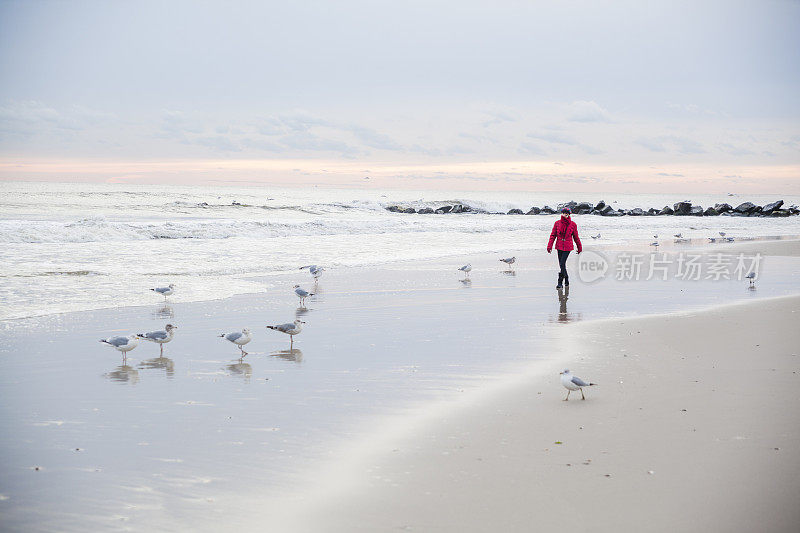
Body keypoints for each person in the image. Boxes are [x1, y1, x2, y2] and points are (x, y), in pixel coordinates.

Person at [547, 207, 582, 289]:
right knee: (561, 265)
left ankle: (560, 282)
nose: (565, 215)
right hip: (559, 246)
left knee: (562, 263)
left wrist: (579, 247)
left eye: (567, 213)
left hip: (568, 247)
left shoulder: (573, 224)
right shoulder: (557, 223)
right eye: (563, 213)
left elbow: (576, 237)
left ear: (569, 214)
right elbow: (553, 235)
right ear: (561, 213)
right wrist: (549, 246)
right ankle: (566, 278)